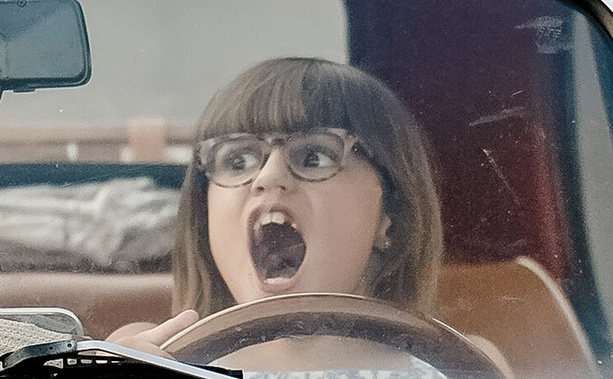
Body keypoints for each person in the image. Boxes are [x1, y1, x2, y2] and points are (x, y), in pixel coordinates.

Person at [163, 56, 444, 327]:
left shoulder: (453, 367)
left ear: (390, 215)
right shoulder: (153, 361)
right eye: (238, 162)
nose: (269, 177)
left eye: (314, 158)